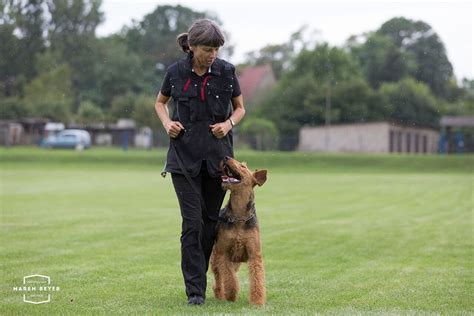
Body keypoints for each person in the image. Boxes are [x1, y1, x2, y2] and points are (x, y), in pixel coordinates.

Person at [154, 19, 245, 305]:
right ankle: (195, 291)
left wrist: (228, 124)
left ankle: (200, 277)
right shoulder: (175, 73)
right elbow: (160, 102)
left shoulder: (227, 72)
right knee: (192, 223)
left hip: (218, 161)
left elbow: (240, 108)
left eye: (216, 49)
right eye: (207, 49)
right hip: (183, 159)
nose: (213, 54)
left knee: (208, 222)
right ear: (192, 47)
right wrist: (167, 122)